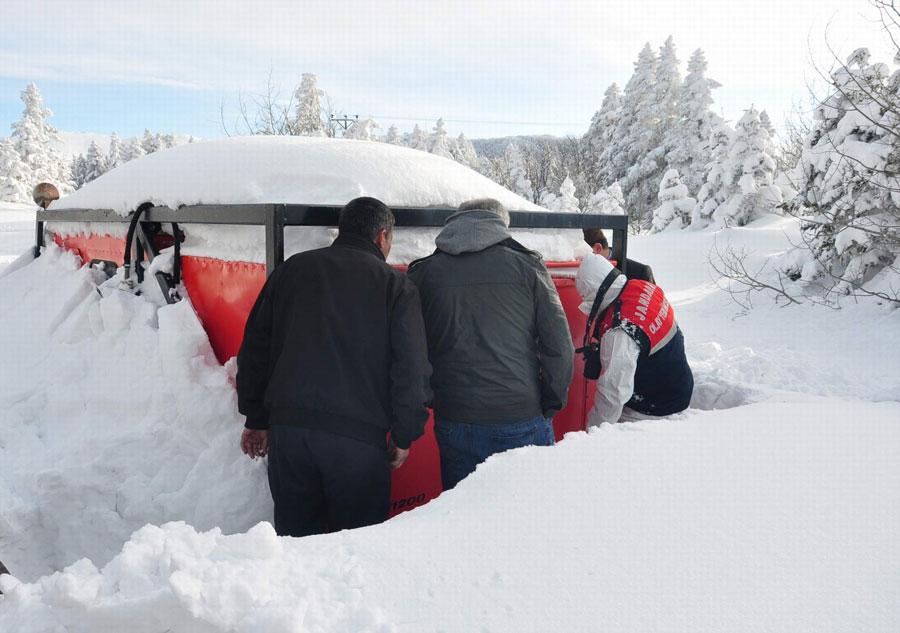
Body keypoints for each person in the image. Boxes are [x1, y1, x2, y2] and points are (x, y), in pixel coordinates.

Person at [236, 197, 432, 537]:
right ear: (383, 236)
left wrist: (256, 418)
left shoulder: (291, 271)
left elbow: (255, 349)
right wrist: (404, 434)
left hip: (290, 438)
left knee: (296, 547)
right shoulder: (395, 286)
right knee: (356, 552)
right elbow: (411, 370)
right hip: (358, 445)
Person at [408, 198, 575, 490]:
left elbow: (411, 350)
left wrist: (432, 399)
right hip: (519, 415)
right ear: (499, 225)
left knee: (463, 516)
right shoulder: (528, 266)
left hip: (455, 418)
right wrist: (551, 401)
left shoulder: (423, 273)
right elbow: (559, 346)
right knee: (528, 511)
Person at [575, 252, 693, 426]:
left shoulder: (620, 330)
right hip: (678, 386)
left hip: (656, 407)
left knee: (613, 430)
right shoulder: (641, 286)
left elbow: (613, 393)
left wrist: (592, 434)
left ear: (593, 292)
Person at [582, 228, 656, 283]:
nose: (577, 259)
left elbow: (655, 303)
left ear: (598, 248)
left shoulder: (639, 273)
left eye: (582, 254)